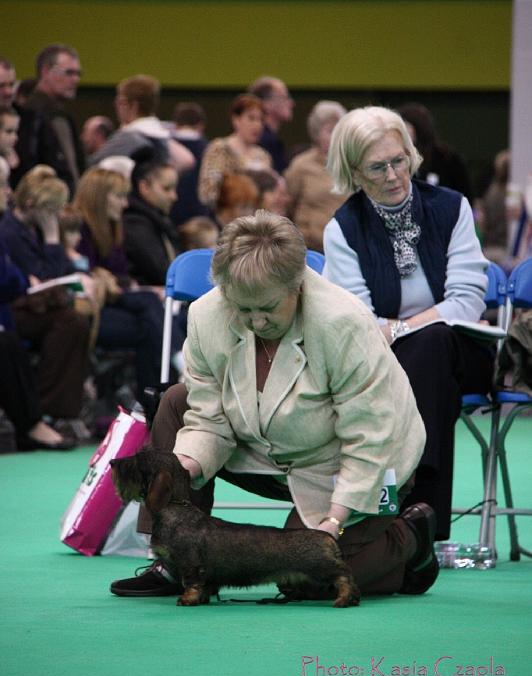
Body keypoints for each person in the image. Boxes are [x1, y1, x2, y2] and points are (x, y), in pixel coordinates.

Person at [110, 210, 438, 600]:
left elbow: (371, 438)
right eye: (242, 308)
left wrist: (334, 520)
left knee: (302, 580)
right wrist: (183, 466)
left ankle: (410, 536)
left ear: (297, 285)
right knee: (175, 401)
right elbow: (207, 418)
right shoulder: (205, 315)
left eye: (266, 307)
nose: (254, 321)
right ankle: (174, 559)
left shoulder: (342, 322)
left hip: (352, 463)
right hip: (266, 449)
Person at [323, 106, 494, 540]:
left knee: (433, 343)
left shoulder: (451, 208)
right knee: (425, 356)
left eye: (399, 160)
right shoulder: (343, 228)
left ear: (411, 155)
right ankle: (421, 517)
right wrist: (397, 331)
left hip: (461, 349)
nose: (394, 175)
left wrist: (400, 327)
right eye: (378, 167)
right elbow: (357, 318)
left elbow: (468, 301)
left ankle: (407, 508)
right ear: (355, 172)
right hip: (381, 360)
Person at [0, 165, 92, 435]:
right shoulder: (10, 232)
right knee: (69, 323)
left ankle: (57, 409)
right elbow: (44, 277)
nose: (56, 217)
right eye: (52, 209)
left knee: (73, 321)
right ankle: (47, 409)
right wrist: (53, 238)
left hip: (32, 308)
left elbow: (58, 275)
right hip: (16, 307)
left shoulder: (31, 230)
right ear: (34, 204)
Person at [73, 167, 168, 400]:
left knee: (150, 323)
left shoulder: (113, 230)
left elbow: (121, 276)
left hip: (113, 304)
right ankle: (160, 390)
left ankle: (153, 400)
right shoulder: (78, 228)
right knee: (150, 312)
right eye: (119, 196)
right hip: (90, 310)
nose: (125, 204)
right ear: (99, 198)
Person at [14, 44, 85, 195]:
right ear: (46, 71)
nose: (76, 79)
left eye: (78, 74)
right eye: (69, 73)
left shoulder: (60, 116)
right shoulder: (30, 117)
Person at [89, 75, 194, 175]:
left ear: (132, 105)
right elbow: (186, 160)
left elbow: (91, 165)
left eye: (120, 102)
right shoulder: (160, 135)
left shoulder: (128, 136)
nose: (116, 107)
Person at [284, 100, 348, 252]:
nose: (336, 136)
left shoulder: (353, 164)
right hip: (309, 248)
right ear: (316, 133)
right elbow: (287, 205)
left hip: (346, 246)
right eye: (330, 130)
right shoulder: (300, 165)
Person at [198, 93, 271, 211]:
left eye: (261, 120)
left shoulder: (263, 156)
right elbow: (207, 192)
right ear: (236, 120)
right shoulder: (219, 149)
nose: (257, 125)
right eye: (251, 118)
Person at [122, 149, 180, 286]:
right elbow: (162, 272)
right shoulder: (134, 224)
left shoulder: (158, 221)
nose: (174, 196)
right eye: (166, 189)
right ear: (144, 187)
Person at [398, 103, 473, 202]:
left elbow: (466, 195)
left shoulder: (447, 158)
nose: (400, 132)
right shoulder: (397, 159)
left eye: (404, 126)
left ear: (418, 127)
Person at [170, 101, 209, 224]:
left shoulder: (166, 147)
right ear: (200, 126)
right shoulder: (208, 149)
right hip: (199, 216)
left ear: (176, 125)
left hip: (171, 213)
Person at [248, 76, 295, 173]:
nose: (292, 103)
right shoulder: (265, 142)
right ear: (266, 104)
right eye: (285, 97)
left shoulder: (269, 140)